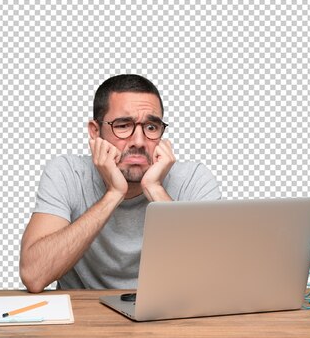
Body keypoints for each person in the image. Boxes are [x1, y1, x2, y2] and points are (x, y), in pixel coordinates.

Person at [19, 74, 221, 293]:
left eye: (151, 127)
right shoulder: (67, 173)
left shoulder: (194, 178)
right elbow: (34, 275)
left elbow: (219, 275)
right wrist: (114, 194)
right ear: (95, 132)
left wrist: (155, 190)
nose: (139, 141)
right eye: (123, 125)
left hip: (167, 315)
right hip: (83, 316)